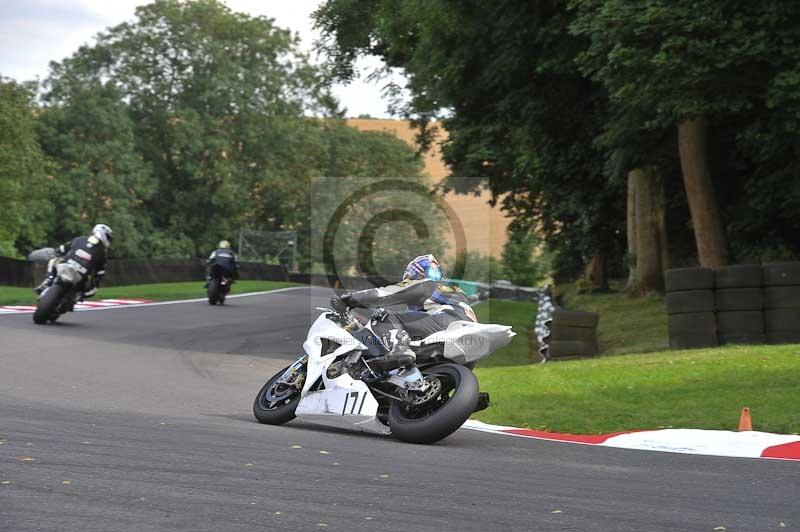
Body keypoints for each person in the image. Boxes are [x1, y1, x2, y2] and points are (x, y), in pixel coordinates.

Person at [331, 254, 478, 372]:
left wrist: (348, 300)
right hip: (469, 343)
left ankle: (399, 350)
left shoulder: (424, 284)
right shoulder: (454, 291)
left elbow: (384, 294)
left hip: (446, 323)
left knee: (383, 316)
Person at [35, 224, 113, 299]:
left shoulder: (80, 239)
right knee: (91, 290)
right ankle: (48, 281)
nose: (108, 240)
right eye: (108, 237)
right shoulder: (102, 253)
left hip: (73, 271)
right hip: (76, 273)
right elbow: (100, 273)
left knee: (53, 261)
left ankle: (49, 281)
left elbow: (62, 249)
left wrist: (57, 251)